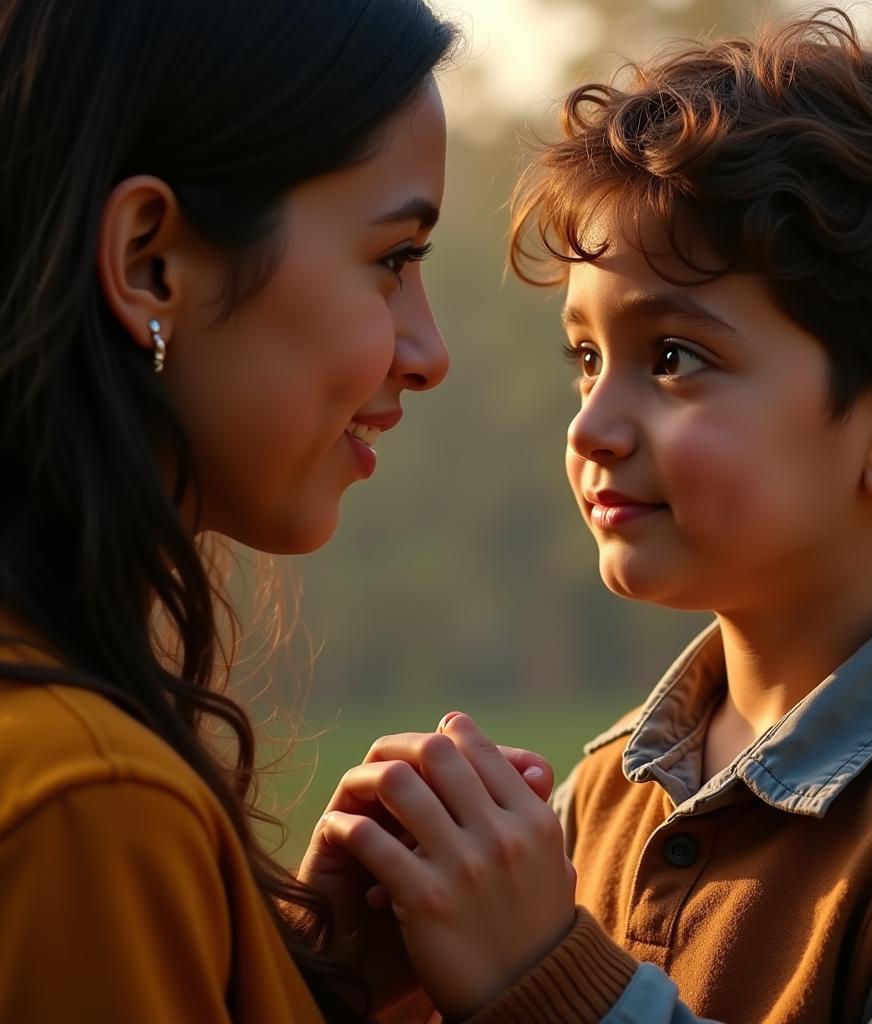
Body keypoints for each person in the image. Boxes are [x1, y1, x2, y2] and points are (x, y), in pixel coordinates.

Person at [321, 8, 872, 1022]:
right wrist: (355, 983)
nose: (594, 425)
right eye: (586, 359)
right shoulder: (602, 794)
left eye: (672, 359)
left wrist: (551, 977)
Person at [0, 1, 577, 1020]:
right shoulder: (87, 806)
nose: (428, 350)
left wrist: (311, 976)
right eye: (393, 260)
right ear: (150, 266)